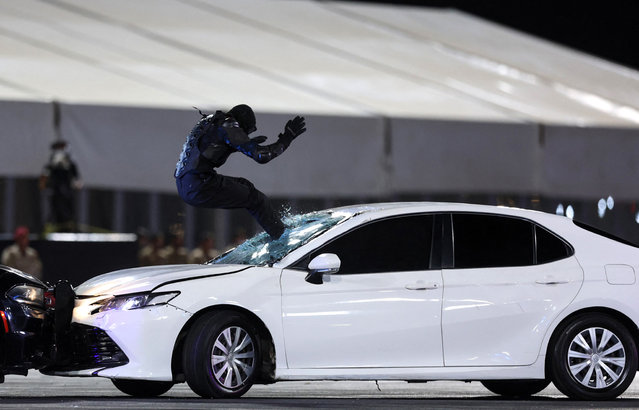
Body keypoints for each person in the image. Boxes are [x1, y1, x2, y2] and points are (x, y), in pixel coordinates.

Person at [175, 104, 306, 240]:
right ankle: (282, 238)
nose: (245, 135)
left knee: (245, 185)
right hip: (200, 186)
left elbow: (207, 149)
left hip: (186, 183)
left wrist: (240, 145)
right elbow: (262, 156)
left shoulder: (210, 121)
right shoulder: (229, 124)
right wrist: (287, 138)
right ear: (241, 124)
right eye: (246, 131)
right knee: (257, 200)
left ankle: (276, 230)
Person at [39, 140, 81, 232]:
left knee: (68, 213)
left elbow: (77, 179)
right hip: (55, 194)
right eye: (57, 148)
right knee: (54, 212)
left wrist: (77, 183)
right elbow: (43, 178)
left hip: (67, 194)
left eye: (62, 148)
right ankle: (52, 228)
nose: (60, 151)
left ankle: (69, 229)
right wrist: (43, 185)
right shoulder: (50, 165)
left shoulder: (71, 165)